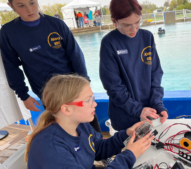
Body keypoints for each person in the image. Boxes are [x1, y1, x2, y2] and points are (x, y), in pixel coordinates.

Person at [1, 0, 101, 132]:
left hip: (73, 87)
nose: (29, 10)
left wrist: (85, 82)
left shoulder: (57, 24)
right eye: (21, 6)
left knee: (90, 123)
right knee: (64, 129)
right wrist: (24, 95)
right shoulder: (8, 32)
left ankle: (101, 150)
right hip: (47, 93)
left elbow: (75, 55)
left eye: (32, 3)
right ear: (11, 6)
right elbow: (11, 66)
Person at [25, 75, 154, 169]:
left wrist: (126, 134)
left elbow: (97, 149)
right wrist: (129, 155)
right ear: (66, 109)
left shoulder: (80, 125)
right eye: (88, 100)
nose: (95, 104)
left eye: (93, 98)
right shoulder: (52, 150)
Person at [100, 0, 168, 131]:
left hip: (150, 113)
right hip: (124, 117)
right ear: (114, 22)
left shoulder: (147, 37)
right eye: (127, 25)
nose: (134, 29)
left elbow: (155, 74)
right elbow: (113, 86)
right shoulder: (109, 43)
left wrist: (158, 104)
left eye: (137, 22)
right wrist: (137, 110)